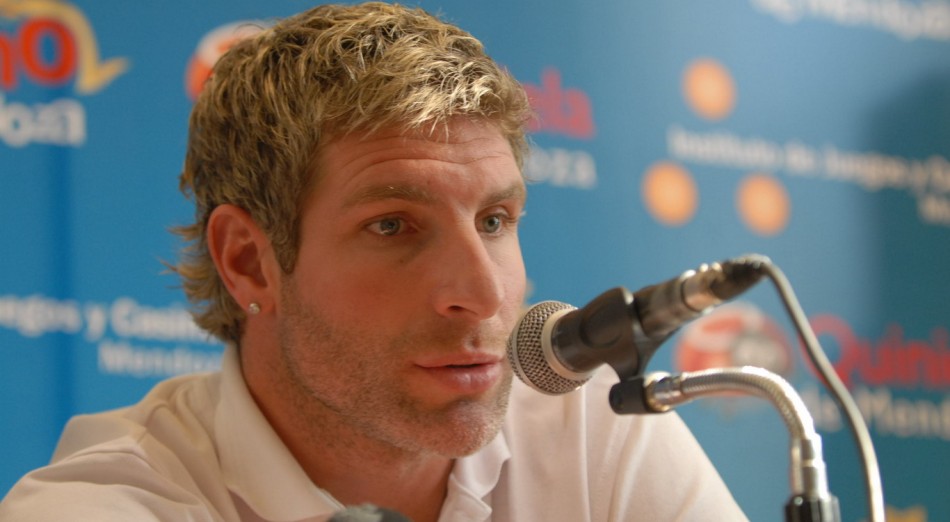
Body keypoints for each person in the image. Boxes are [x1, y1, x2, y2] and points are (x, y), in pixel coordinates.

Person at [0, 3, 747, 521]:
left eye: (494, 221)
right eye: (393, 226)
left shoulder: (593, 423)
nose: (484, 294)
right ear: (249, 262)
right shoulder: (114, 502)